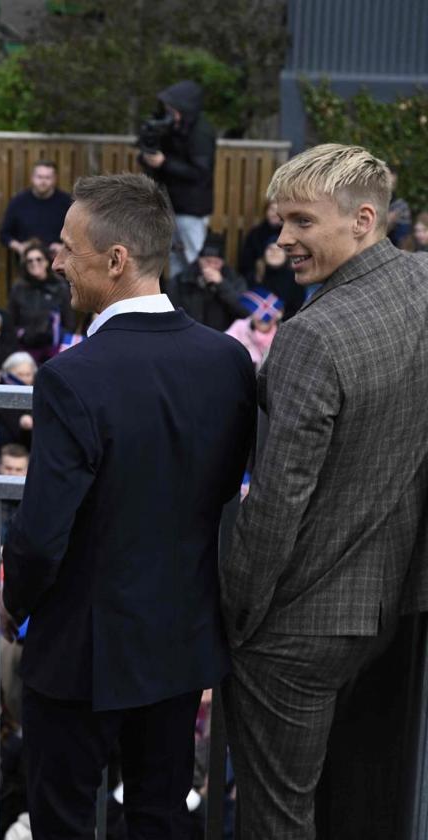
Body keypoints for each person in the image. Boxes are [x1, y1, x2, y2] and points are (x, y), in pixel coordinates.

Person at [0, 174, 256, 839]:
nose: (57, 261)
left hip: (77, 653)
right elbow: (225, 487)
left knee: (63, 823)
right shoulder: (228, 362)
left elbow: (41, 535)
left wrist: (14, 602)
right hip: (179, 643)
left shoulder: (71, 377)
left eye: (66, 247)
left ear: (115, 261)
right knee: (161, 817)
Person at [219, 143, 428, 840]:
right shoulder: (423, 283)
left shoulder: (311, 337)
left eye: (302, 222)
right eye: (281, 222)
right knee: (364, 808)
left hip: (295, 633)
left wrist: (239, 616)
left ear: (363, 219)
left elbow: (277, 504)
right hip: (391, 613)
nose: (282, 241)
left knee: (276, 821)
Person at [139, 80, 217, 279]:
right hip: (169, 203)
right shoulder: (172, 127)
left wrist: (164, 163)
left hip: (191, 209)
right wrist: (149, 156)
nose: (168, 113)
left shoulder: (201, 132)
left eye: (172, 109)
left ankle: (197, 302)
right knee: (175, 258)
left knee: (193, 257)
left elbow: (200, 172)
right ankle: (178, 301)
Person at [164, 232, 251, 330]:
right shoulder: (183, 279)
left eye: (216, 262)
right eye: (207, 261)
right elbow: (171, 311)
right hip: (190, 334)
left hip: (222, 336)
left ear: (223, 262)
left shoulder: (234, 279)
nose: (211, 266)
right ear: (199, 260)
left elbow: (245, 312)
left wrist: (221, 284)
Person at [8, 241, 75, 362]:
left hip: (54, 348)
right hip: (26, 348)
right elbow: (11, 322)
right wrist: (23, 334)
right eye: (30, 261)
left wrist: (56, 337)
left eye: (39, 259)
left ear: (46, 261)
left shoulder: (60, 287)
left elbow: (69, 323)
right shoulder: (18, 288)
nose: (34, 263)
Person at [0, 161, 71, 259]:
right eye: (39, 177)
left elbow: (78, 234)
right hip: (27, 264)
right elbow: (4, 235)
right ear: (32, 178)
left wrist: (63, 247)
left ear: (55, 179)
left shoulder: (66, 202)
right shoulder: (18, 202)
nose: (43, 181)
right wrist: (20, 248)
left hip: (58, 263)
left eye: (47, 177)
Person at [224, 289, 283, 370]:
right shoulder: (240, 326)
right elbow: (225, 346)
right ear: (252, 313)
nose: (263, 316)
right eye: (258, 311)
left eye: (268, 317)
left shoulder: (282, 334)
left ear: (277, 316)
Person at [237, 201, 283, 284]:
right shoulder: (255, 234)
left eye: (279, 210)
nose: (275, 214)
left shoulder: (290, 233)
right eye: (272, 209)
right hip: (259, 279)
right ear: (266, 211)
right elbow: (245, 262)